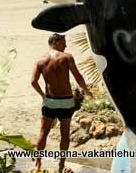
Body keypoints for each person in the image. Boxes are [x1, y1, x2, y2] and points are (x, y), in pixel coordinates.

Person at [31, 33, 92, 173]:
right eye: (63, 42)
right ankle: (61, 165)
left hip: (50, 102)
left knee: (43, 132)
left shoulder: (40, 61)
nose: (66, 45)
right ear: (56, 42)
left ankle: (38, 164)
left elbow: (33, 82)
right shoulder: (67, 57)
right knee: (65, 134)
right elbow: (78, 77)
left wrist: (43, 96)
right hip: (66, 102)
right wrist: (86, 91)